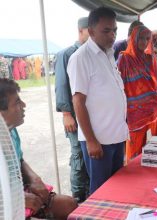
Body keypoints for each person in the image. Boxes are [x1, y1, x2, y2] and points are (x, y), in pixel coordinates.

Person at [67, 7, 128, 194]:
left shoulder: (109, 55)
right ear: (91, 31)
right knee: (101, 193)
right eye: (106, 30)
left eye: (115, 30)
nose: (112, 35)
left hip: (116, 138)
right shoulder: (81, 58)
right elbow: (78, 102)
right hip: (99, 141)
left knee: (117, 190)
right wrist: (91, 141)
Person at [0, 78, 77, 219]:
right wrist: (19, 198)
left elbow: (20, 160)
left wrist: (34, 178)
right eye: (17, 102)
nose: (24, 104)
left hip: (19, 191)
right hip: (7, 205)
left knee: (69, 204)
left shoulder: (11, 131)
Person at [117, 25, 157, 161]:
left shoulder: (150, 58)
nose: (144, 42)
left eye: (147, 39)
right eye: (141, 38)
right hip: (135, 116)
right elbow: (119, 87)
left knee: (155, 153)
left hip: (154, 112)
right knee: (135, 156)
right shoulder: (124, 59)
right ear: (134, 38)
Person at [54, 17, 90, 203]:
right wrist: (66, 114)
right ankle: (77, 200)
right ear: (81, 31)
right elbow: (61, 85)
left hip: (90, 116)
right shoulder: (66, 54)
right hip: (74, 117)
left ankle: (89, 196)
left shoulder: (91, 54)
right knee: (79, 158)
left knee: (89, 157)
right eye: (89, 32)